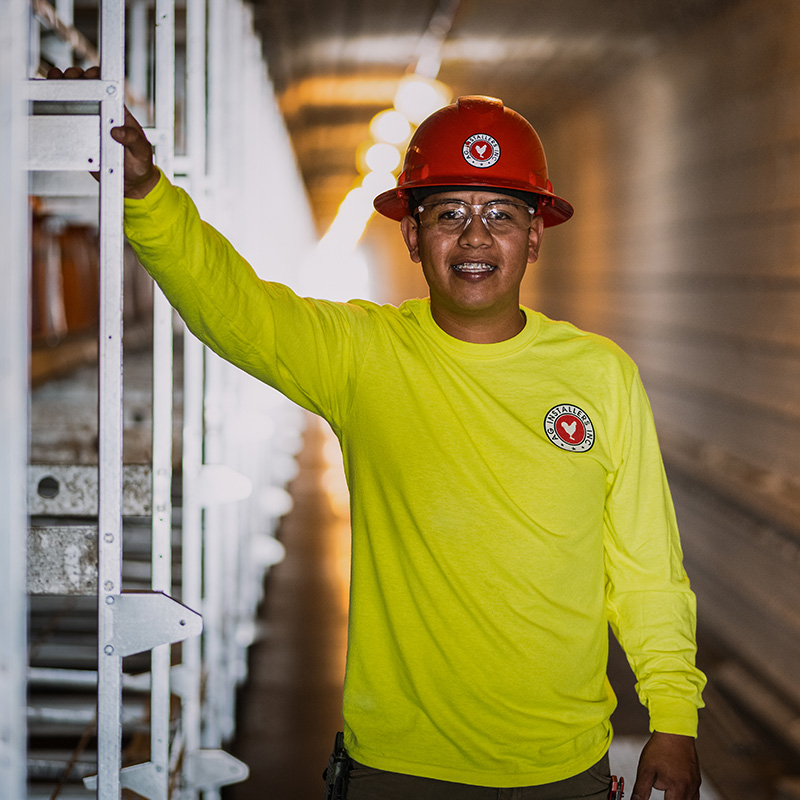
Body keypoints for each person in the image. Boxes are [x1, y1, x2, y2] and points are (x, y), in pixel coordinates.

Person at [51, 68, 706, 800]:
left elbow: (647, 568)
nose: (475, 236)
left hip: (560, 770)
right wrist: (147, 195)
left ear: (535, 237)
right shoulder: (362, 356)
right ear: (413, 235)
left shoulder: (600, 375)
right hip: (398, 769)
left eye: (501, 213)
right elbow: (234, 308)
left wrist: (674, 719)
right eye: (449, 213)